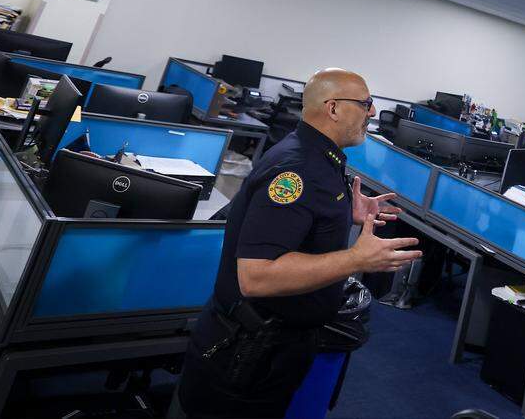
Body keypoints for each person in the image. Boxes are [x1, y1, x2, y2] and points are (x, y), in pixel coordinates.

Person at [176, 68, 422, 418]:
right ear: (333, 108)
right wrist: (356, 260)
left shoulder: (319, 156)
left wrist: (340, 214)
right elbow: (256, 276)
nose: (371, 113)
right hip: (246, 356)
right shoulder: (297, 170)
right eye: (365, 103)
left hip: (272, 348)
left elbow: (299, 222)